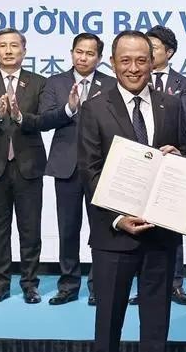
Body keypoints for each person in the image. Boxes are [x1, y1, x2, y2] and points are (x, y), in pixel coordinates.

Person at [78, 31, 186, 352]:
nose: (133, 68)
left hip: (161, 233)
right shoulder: (94, 109)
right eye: (125, 61)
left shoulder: (170, 105)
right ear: (113, 63)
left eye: (141, 60)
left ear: (153, 61)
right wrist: (119, 218)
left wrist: (180, 160)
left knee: (157, 323)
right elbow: (90, 171)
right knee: (108, 324)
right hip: (114, 235)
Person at [0, 28, 47, 304]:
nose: (9, 50)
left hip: (29, 164)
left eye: (15, 45)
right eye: (3, 45)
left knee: (30, 228)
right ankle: (0, 283)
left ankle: (30, 284)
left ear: (24, 51)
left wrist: (20, 116)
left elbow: (45, 119)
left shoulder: (38, 82)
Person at [39, 33, 116, 306]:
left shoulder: (110, 84)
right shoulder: (55, 82)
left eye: (90, 53)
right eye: (79, 52)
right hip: (66, 166)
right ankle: (68, 284)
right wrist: (69, 109)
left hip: (100, 167)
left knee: (101, 230)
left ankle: (99, 285)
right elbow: (44, 120)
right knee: (68, 229)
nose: (83, 57)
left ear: (99, 57)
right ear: (72, 53)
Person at [129, 25, 186, 306]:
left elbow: (185, 120)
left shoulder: (183, 84)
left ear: (168, 52)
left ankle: (175, 284)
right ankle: (143, 286)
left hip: (171, 160)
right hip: (136, 161)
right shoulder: (133, 80)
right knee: (137, 223)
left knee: (171, 224)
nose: (148, 52)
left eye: (153, 47)